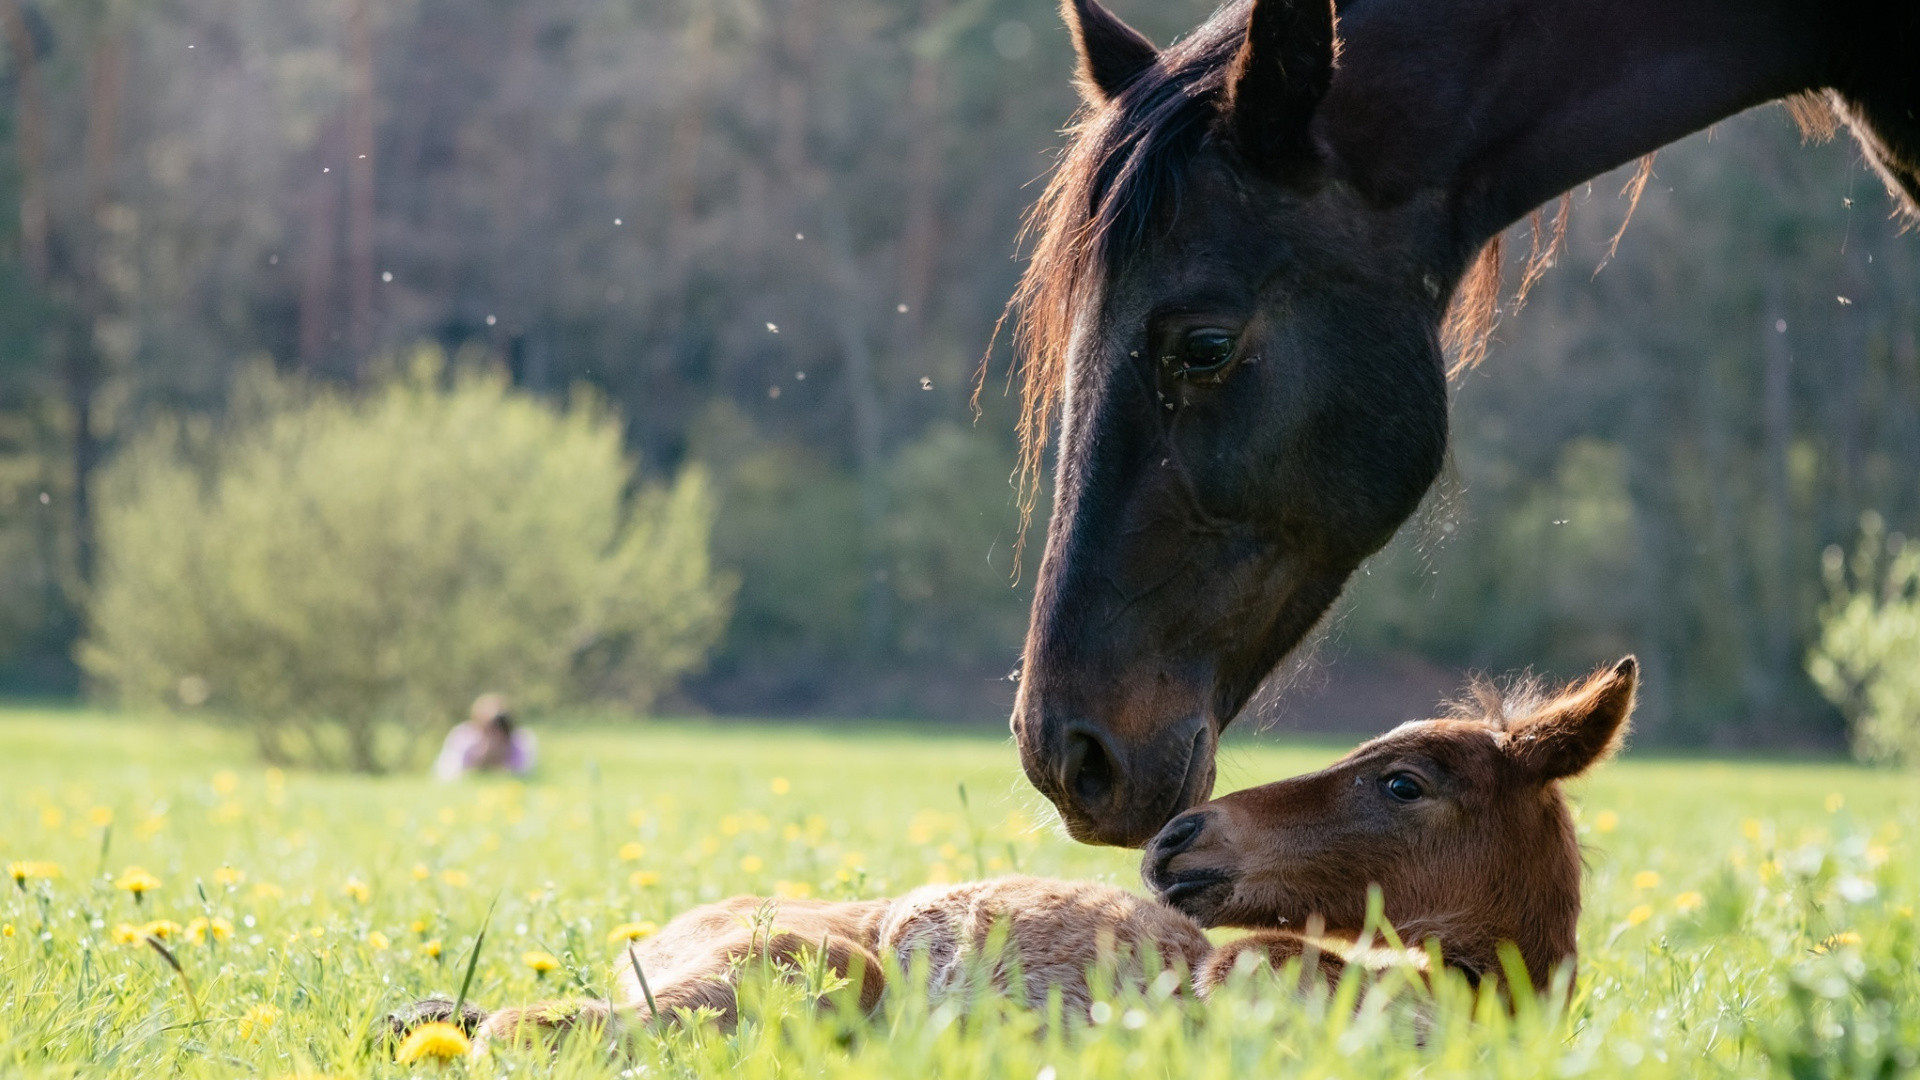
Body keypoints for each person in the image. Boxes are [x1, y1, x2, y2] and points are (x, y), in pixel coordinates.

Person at [433, 694, 536, 780]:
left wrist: (502, 761)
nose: (497, 731)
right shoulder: (464, 738)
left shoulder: (519, 741)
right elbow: (444, 775)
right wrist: (479, 761)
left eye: (501, 724)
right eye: (491, 725)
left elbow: (528, 774)